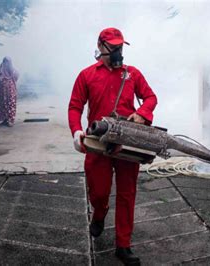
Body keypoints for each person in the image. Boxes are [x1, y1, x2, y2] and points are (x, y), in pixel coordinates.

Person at [68, 28, 157, 265]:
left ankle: (123, 245)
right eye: (113, 46)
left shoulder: (132, 74)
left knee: (127, 194)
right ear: (100, 46)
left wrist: (142, 113)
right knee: (98, 191)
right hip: (97, 143)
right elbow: (75, 107)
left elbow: (150, 98)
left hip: (127, 143)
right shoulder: (86, 75)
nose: (118, 51)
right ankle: (99, 213)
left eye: (120, 47)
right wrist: (76, 130)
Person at [0, 56, 19, 127]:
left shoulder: (12, 70)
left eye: (8, 62)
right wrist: (0, 82)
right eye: (5, 61)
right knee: (2, 104)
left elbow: (16, 76)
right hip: (2, 91)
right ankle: (5, 119)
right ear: (3, 62)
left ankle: (10, 120)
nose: (6, 63)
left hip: (10, 91)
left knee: (10, 104)